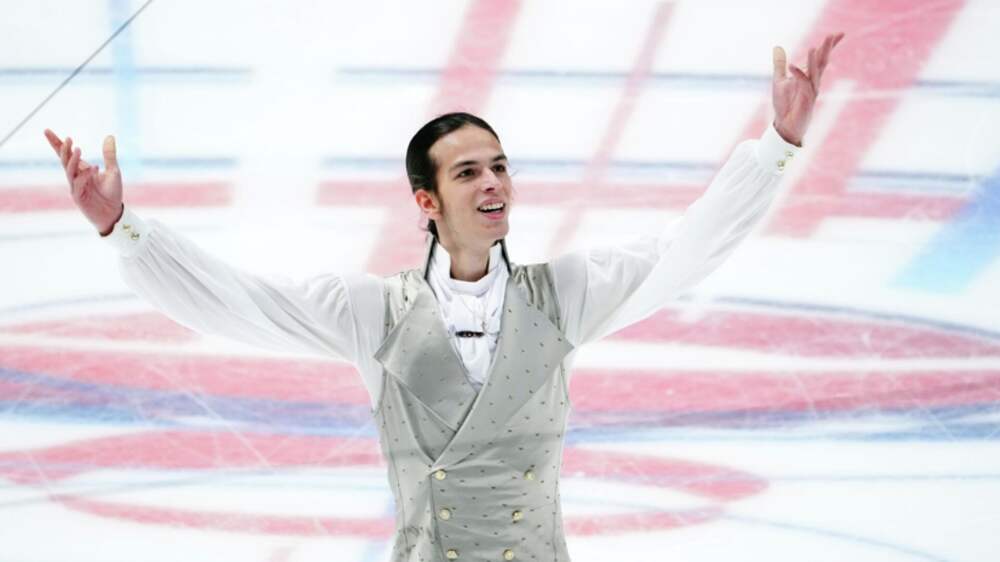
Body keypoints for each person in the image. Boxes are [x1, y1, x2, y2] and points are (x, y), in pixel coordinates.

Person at [45, 34, 843, 562]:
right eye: (468, 172)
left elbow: (683, 252)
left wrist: (779, 145)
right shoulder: (372, 313)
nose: (493, 183)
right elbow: (238, 302)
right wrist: (122, 229)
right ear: (426, 201)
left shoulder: (563, 295)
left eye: (499, 166)